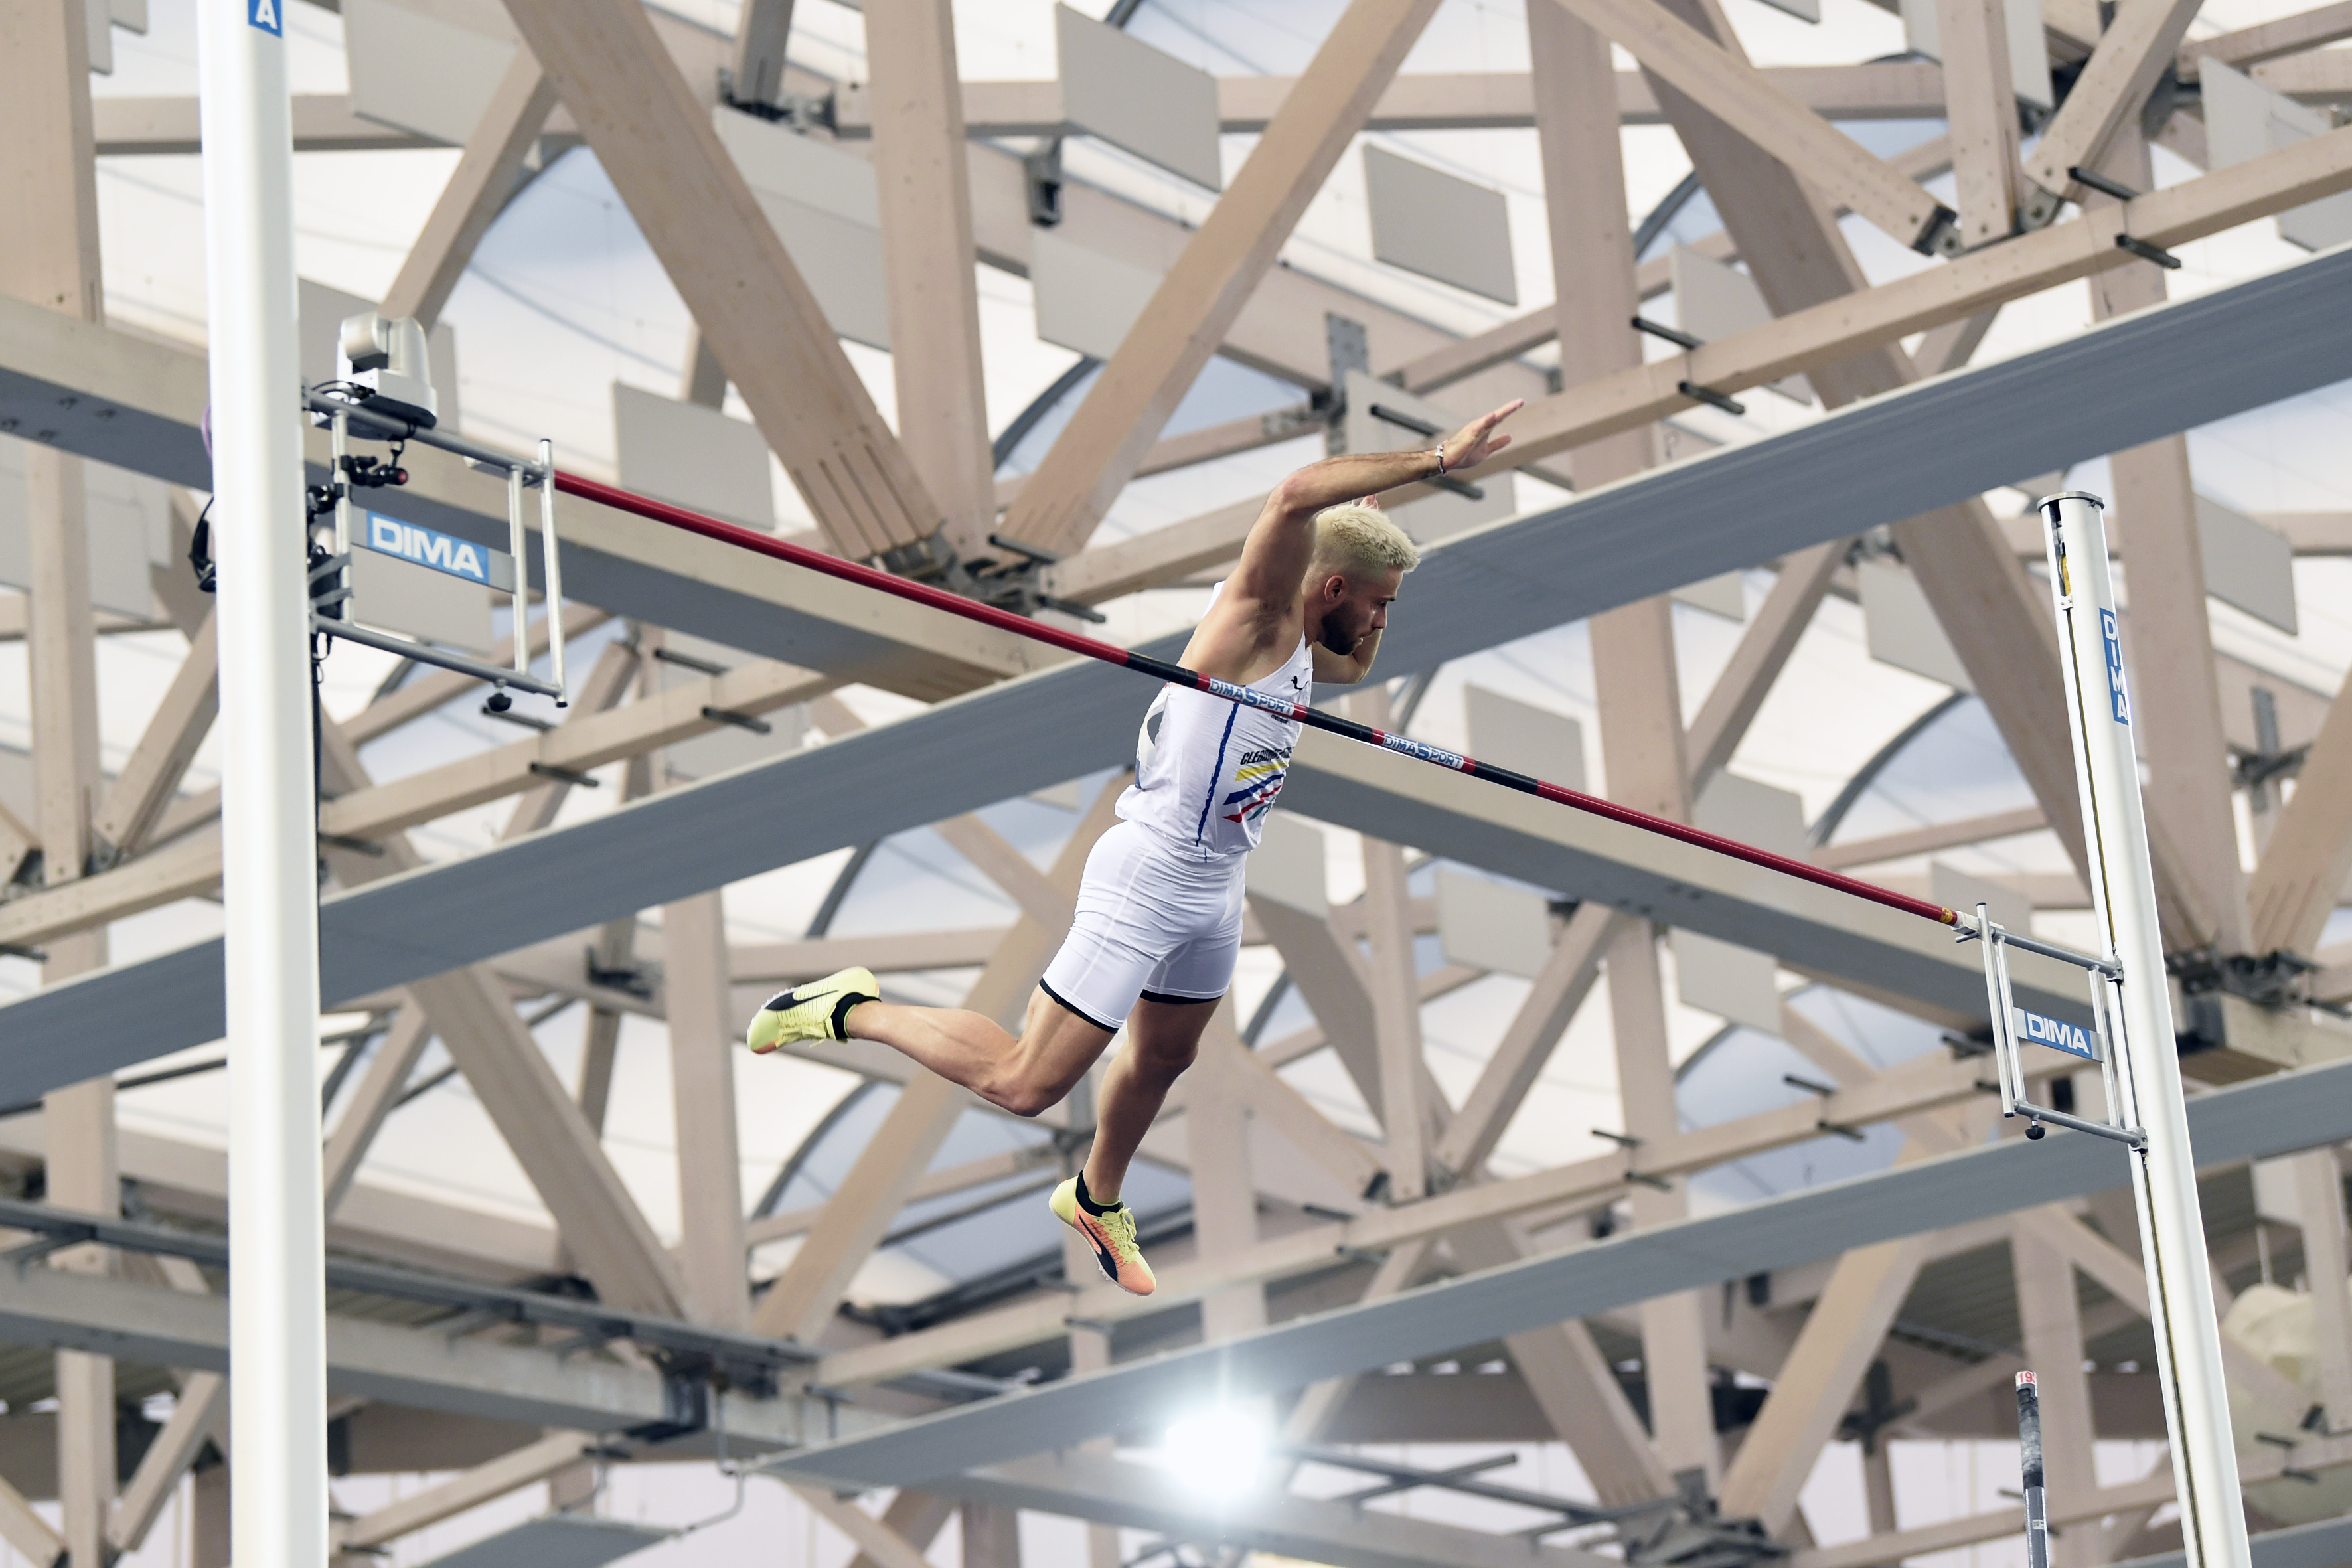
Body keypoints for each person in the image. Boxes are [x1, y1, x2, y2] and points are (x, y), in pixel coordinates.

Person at [747, 398, 1525, 1296]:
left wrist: (1369, 547)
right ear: (1331, 590)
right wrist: (1432, 460)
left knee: (1164, 1056)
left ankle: (1094, 1194)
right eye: (1380, 604)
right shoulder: (1260, 620)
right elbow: (1295, 496)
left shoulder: (1313, 644)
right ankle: (850, 1007)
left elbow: (1351, 655)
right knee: (1024, 1081)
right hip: (1151, 871)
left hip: (1217, 883)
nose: (1386, 624)